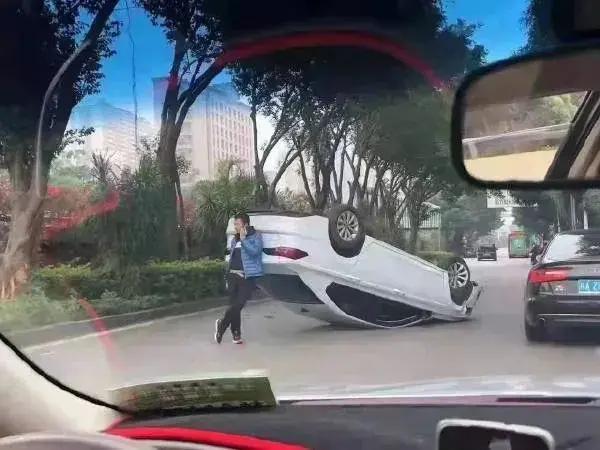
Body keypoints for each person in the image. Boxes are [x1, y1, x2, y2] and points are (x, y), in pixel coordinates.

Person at [215, 212, 263, 344]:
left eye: (237, 224)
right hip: (232, 276)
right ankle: (236, 334)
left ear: (245, 224)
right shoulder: (234, 239)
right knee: (234, 306)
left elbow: (255, 252)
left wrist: (244, 240)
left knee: (239, 304)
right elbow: (232, 258)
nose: (235, 226)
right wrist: (227, 274)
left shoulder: (256, 236)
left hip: (246, 277)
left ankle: (222, 324)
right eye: (234, 224)